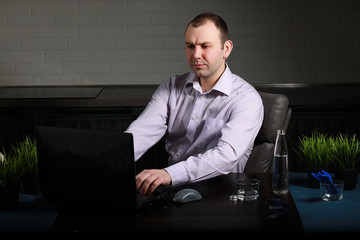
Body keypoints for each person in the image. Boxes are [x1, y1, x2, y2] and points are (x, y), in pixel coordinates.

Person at [125, 12, 264, 195]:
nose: (196, 54)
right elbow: (141, 133)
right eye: (190, 46)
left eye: (205, 46)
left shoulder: (247, 99)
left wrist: (169, 174)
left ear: (227, 48)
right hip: (173, 192)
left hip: (223, 196)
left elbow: (226, 156)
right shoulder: (171, 87)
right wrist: (110, 162)